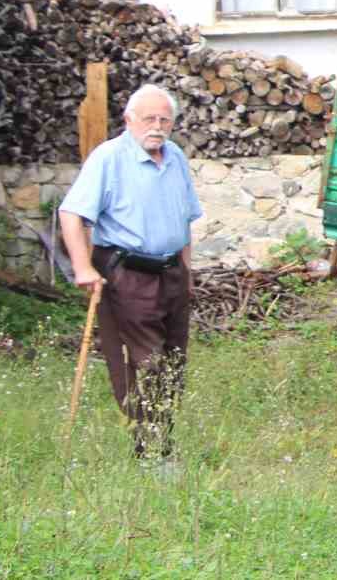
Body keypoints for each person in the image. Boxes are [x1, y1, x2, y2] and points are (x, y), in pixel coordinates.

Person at [59, 83, 203, 460]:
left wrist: (186, 271)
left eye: (164, 119)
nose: (157, 126)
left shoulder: (176, 158)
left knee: (173, 362)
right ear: (128, 120)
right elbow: (71, 214)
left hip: (171, 272)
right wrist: (82, 267)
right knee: (148, 362)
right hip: (127, 274)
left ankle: (160, 442)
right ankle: (153, 454)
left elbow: (184, 220)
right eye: (148, 119)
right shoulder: (109, 158)